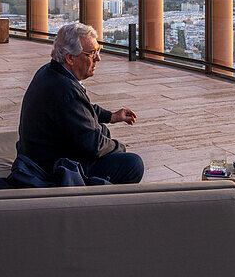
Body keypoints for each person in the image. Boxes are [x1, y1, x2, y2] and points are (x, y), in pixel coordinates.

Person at [16, 22, 143, 184]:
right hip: (50, 167)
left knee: (102, 129)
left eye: (98, 51)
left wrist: (111, 116)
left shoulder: (49, 72)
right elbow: (94, 145)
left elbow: (81, 109)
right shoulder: (66, 90)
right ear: (70, 58)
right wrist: (120, 147)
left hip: (37, 154)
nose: (98, 58)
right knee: (133, 164)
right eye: (91, 53)